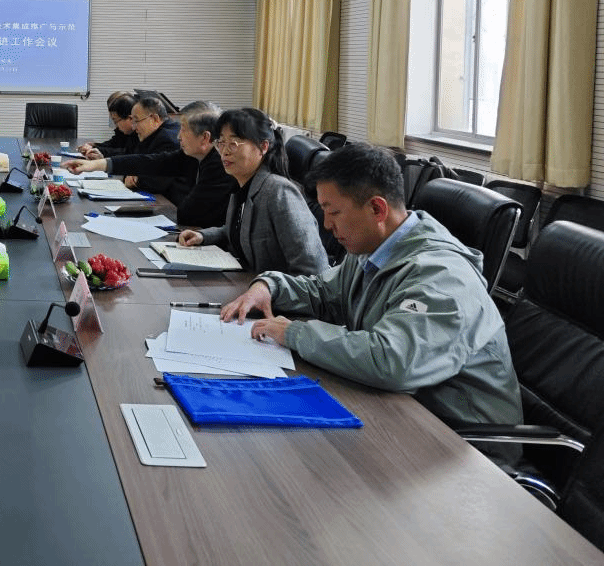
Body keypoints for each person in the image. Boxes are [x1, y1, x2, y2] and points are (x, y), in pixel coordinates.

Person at [220, 142, 522, 428]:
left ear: (377, 209)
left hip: (460, 440)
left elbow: (392, 360)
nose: (326, 225)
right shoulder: (373, 248)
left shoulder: (444, 277)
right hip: (396, 410)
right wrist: (268, 287)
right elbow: (324, 293)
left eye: (334, 212)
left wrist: (294, 333)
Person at [178, 107, 327, 275]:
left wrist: (268, 287)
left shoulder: (280, 192)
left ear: (263, 147)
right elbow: (240, 231)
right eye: (222, 143)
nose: (225, 151)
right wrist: (203, 236)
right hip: (246, 282)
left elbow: (313, 270)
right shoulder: (243, 184)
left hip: (274, 290)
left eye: (234, 143)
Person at [66, 100, 232, 228]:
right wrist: (97, 165)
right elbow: (150, 162)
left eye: (184, 129)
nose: (178, 136)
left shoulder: (220, 165)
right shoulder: (193, 155)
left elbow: (187, 214)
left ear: (205, 138)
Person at [78, 91, 137, 158]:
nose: (116, 125)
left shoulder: (138, 133)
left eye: (115, 120)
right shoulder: (126, 130)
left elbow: (126, 153)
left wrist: (97, 150)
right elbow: (114, 143)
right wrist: (94, 146)